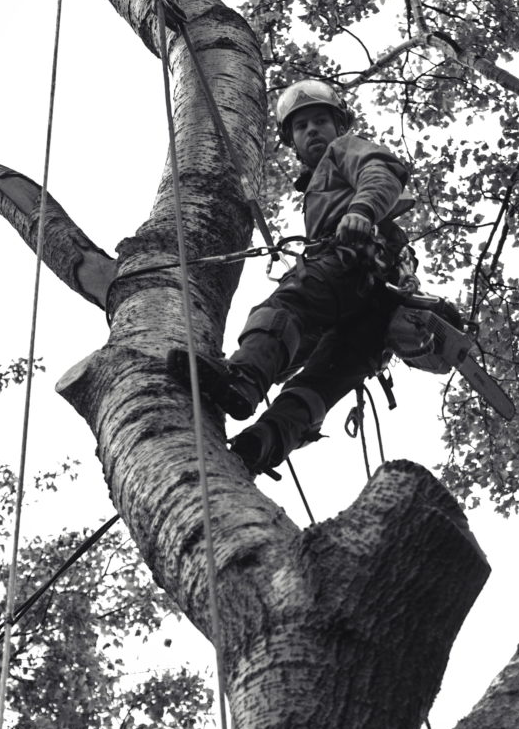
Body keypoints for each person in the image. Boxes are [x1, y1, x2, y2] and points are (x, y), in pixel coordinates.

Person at [174, 79, 414, 476]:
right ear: (291, 142)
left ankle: (243, 379)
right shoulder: (319, 185)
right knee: (325, 375)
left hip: (354, 263)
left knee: (289, 307)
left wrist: (363, 211)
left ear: (340, 126)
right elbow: (294, 345)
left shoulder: (345, 150)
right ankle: (266, 442)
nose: (313, 131)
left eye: (321, 121)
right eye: (302, 127)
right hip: (375, 306)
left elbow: (382, 171)